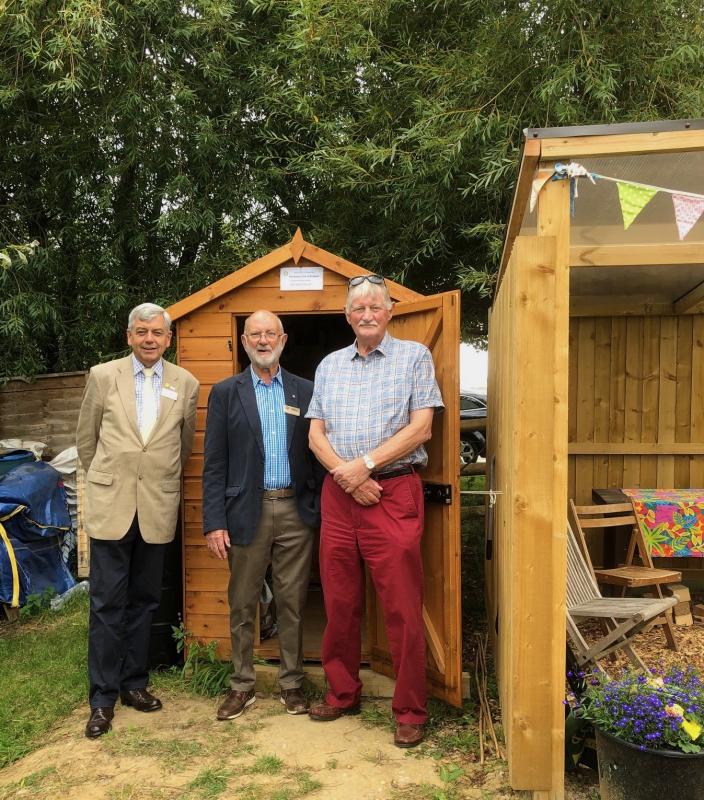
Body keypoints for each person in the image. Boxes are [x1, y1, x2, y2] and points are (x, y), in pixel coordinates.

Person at [306, 274, 443, 749]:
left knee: (402, 606)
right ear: (347, 316)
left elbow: (421, 428)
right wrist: (346, 475)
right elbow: (315, 434)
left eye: (375, 306)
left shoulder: (414, 358)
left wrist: (362, 468)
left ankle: (409, 709)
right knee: (339, 601)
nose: (366, 313)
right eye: (357, 307)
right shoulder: (329, 366)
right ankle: (342, 692)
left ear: (389, 312)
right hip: (339, 496)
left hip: (393, 492)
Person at [76, 302, 199, 739]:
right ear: (129, 336)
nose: (150, 339)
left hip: (156, 506)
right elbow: (86, 441)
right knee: (107, 603)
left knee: (146, 600)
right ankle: (102, 699)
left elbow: (182, 446)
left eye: (157, 333)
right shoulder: (103, 376)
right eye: (142, 331)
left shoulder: (186, 383)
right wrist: (107, 481)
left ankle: (134, 684)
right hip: (113, 505)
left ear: (169, 339)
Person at [202, 310, 323, 721]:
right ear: (244, 340)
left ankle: (292, 683)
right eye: (255, 334)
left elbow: (320, 453)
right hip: (244, 512)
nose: (264, 340)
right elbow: (214, 462)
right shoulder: (225, 392)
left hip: (295, 510)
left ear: (283, 340)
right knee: (242, 602)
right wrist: (214, 521)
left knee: (291, 601)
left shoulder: (306, 391)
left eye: (271, 333)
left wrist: (319, 507)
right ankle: (242, 685)